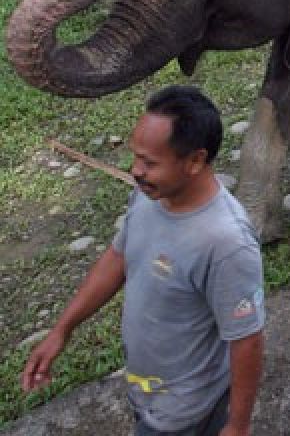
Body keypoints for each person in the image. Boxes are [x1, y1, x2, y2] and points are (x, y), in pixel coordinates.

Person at [21, 86, 266, 436]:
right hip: (147, 391)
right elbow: (118, 257)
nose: (135, 171)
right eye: (136, 157)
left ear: (195, 161)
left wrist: (238, 426)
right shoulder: (150, 193)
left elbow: (247, 340)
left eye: (149, 162)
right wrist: (62, 330)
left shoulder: (227, 243)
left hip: (185, 412)